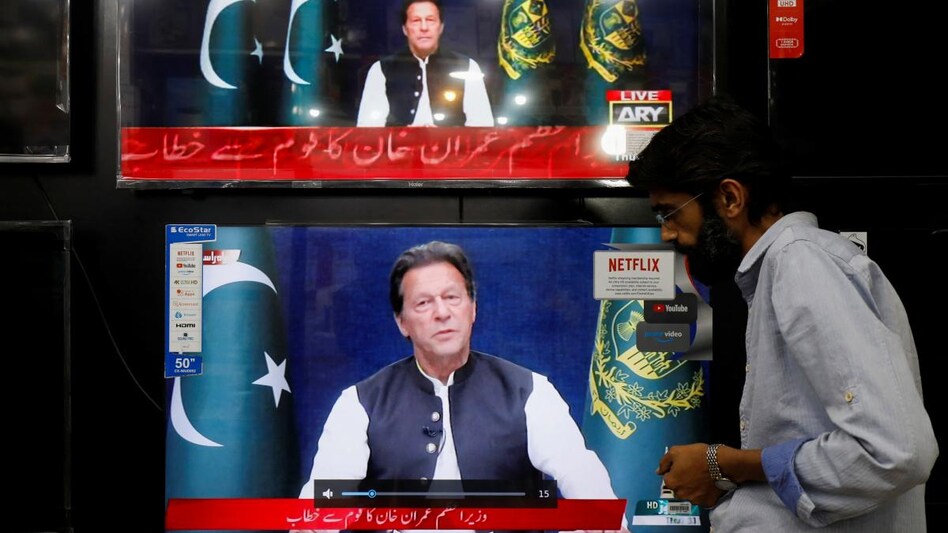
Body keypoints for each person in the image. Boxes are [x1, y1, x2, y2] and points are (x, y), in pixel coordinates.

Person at [626, 95, 939, 531]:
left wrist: (725, 463)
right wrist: (728, 476)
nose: (666, 232)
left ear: (730, 198)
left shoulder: (800, 264)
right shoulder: (779, 270)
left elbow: (893, 451)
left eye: (670, 212)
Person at [297, 240, 626, 532]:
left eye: (452, 297)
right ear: (402, 322)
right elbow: (323, 500)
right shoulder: (359, 403)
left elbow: (581, 475)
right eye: (423, 303)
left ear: (473, 308)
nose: (442, 313)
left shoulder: (530, 392)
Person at [356, 0, 494, 127]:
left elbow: (482, 126)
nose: (424, 27)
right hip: (398, 151)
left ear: (441, 27)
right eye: (416, 20)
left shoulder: (468, 67)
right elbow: (368, 129)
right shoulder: (380, 70)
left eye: (430, 20)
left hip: (452, 151)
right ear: (405, 28)